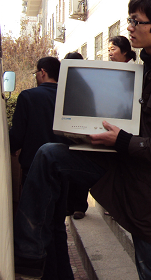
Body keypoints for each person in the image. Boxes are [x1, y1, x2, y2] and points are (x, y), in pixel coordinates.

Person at [13, 0, 151, 280]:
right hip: (123, 168)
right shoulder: (144, 68)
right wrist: (86, 130)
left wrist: (123, 140)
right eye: (130, 20)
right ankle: (29, 254)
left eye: (136, 22)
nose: (129, 28)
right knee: (49, 155)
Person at [9, 56, 74, 280]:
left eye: (36, 72)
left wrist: (11, 148)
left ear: (43, 72)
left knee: (38, 228)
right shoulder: (69, 98)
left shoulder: (28, 96)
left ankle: (49, 275)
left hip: (35, 172)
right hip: (65, 169)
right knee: (57, 226)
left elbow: (16, 136)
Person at [62, 51, 90, 221]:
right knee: (79, 171)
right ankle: (78, 206)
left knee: (72, 171)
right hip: (81, 133)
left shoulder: (67, 84)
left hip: (71, 133)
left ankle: (73, 206)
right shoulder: (86, 85)